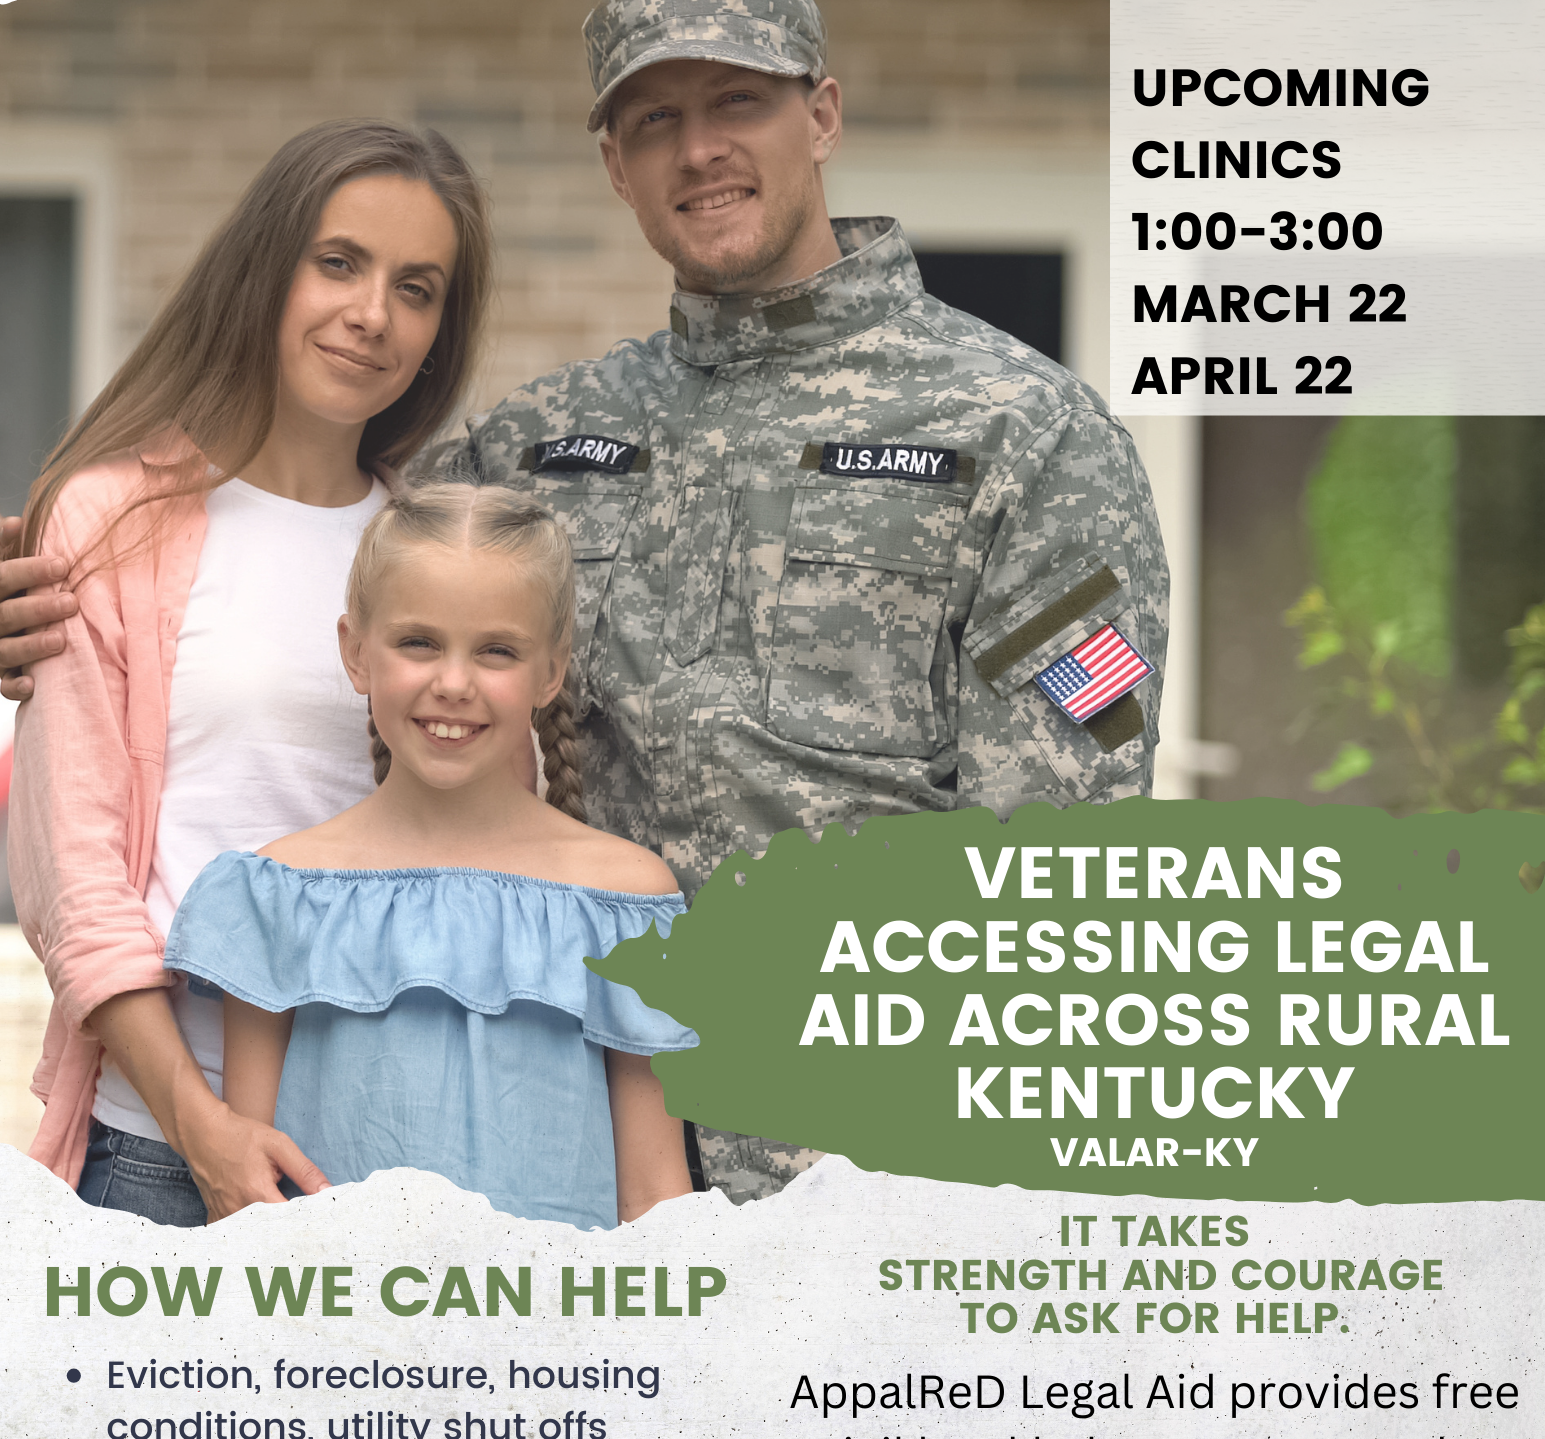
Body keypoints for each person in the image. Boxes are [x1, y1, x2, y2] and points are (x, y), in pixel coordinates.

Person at [2, 0, 1169, 1206]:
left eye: (740, 102)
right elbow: (311, 591)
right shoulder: (538, 447)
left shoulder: (1030, 438)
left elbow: (1062, 858)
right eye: (655, 117)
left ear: (822, 114)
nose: (699, 149)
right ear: (614, 161)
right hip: (552, 1172)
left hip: (861, 1177)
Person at [6, 119, 497, 1224]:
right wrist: (202, 1129)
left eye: (416, 288)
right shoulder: (111, 522)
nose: (373, 314)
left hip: (403, 1148)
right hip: (163, 1156)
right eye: (339, 263)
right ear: (265, 265)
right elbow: (76, 884)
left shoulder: (434, 552)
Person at [164, 485, 694, 1228]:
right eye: (418, 642)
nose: (452, 683)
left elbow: (655, 1201)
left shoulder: (626, 903)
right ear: (356, 652)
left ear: (550, 672)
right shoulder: (278, 894)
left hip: (564, 1337)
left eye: (496, 651)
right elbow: (249, 1211)